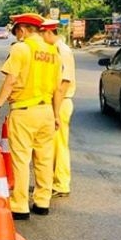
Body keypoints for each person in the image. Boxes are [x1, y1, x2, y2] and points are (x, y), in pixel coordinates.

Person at [0, 13, 63, 220]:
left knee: (21, 159)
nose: (17, 36)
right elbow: (58, 89)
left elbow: (11, 81)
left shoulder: (21, 48)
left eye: (17, 32)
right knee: (44, 159)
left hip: (24, 111)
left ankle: (20, 205)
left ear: (22, 29)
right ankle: (42, 201)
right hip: (47, 111)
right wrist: (56, 115)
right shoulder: (53, 52)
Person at [41, 18, 76, 198]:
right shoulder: (57, 49)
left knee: (58, 145)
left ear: (48, 32)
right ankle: (54, 181)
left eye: (41, 34)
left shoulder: (61, 50)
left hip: (61, 102)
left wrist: (54, 112)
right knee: (54, 145)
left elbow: (63, 83)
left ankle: (61, 184)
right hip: (58, 102)